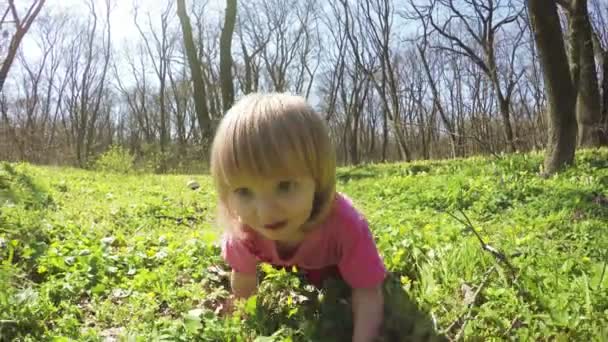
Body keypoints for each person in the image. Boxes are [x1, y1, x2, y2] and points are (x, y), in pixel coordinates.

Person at [210, 92, 387, 342]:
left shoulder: (346, 226)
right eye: (243, 191)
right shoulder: (243, 230)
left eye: (284, 186)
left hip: (332, 270)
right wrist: (243, 316)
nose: (265, 213)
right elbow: (245, 280)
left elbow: (367, 291)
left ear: (319, 179)